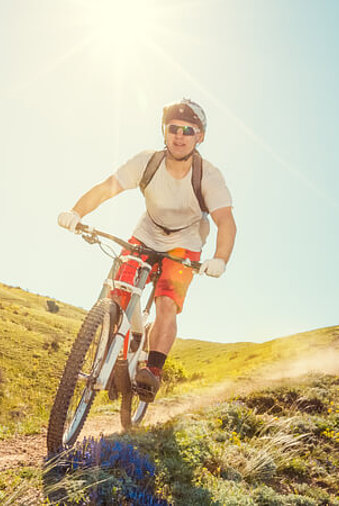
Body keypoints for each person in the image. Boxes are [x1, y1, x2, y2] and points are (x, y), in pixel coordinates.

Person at [57, 98, 236, 401]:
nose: (179, 135)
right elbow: (106, 188)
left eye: (188, 130)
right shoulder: (147, 162)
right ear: (164, 132)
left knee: (167, 302)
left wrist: (220, 258)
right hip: (146, 232)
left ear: (200, 137)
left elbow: (226, 222)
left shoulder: (209, 175)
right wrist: (76, 213)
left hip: (185, 243)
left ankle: (151, 370)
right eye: (173, 128)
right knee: (119, 291)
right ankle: (115, 357)